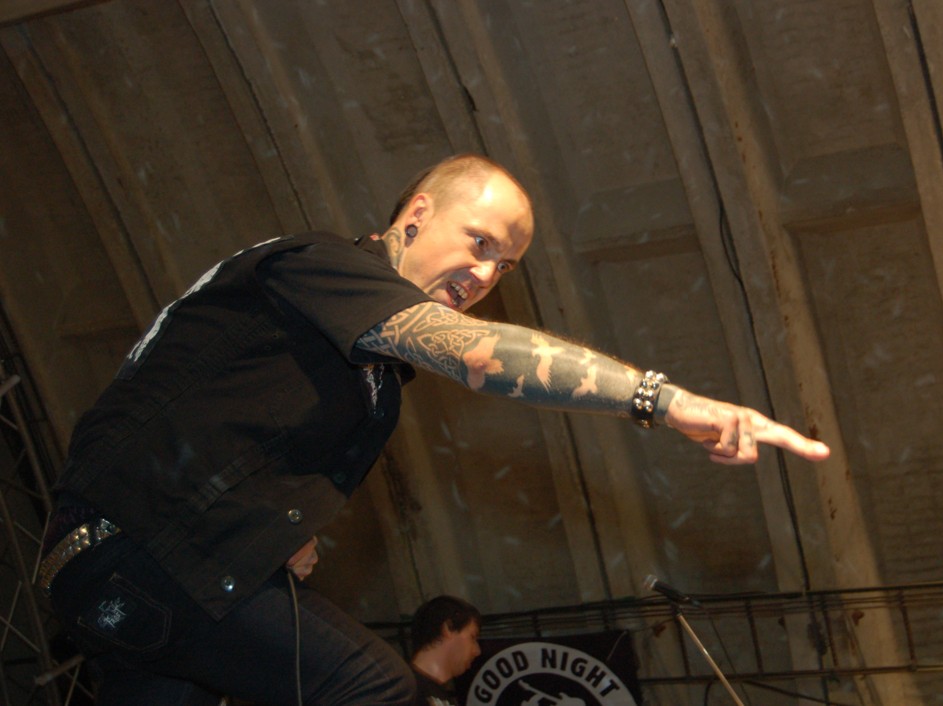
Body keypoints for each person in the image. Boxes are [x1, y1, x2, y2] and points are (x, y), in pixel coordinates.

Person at [38, 153, 830, 706]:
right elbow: (480, 356)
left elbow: (208, 406)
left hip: (118, 580)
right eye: (480, 244)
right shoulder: (326, 265)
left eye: (504, 266)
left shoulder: (363, 366)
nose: (485, 275)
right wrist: (665, 401)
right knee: (378, 690)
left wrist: (272, 531)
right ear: (417, 215)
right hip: (150, 555)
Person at [409, 596, 482, 706]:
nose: (477, 651)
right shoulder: (407, 691)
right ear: (448, 628)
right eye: (472, 637)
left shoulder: (439, 695)